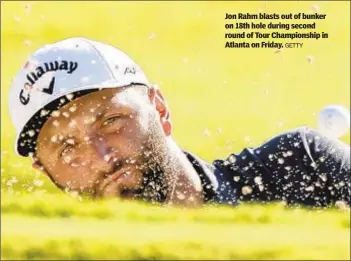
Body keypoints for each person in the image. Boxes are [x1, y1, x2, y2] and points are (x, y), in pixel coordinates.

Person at [8, 37, 350, 208]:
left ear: (159, 109)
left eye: (112, 121)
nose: (103, 156)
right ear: (45, 171)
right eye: (67, 147)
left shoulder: (303, 167)